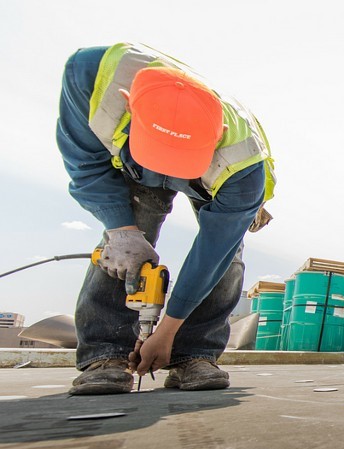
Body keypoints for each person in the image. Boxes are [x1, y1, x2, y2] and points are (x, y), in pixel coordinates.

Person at [57, 43, 276, 395]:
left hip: (209, 176)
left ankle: (194, 353)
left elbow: (212, 254)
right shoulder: (90, 77)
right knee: (124, 243)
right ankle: (105, 354)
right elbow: (86, 167)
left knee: (227, 258)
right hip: (133, 158)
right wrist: (120, 227)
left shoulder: (244, 167)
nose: (166, 169)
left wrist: (166, 332)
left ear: (217, 133)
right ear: (129, 103)